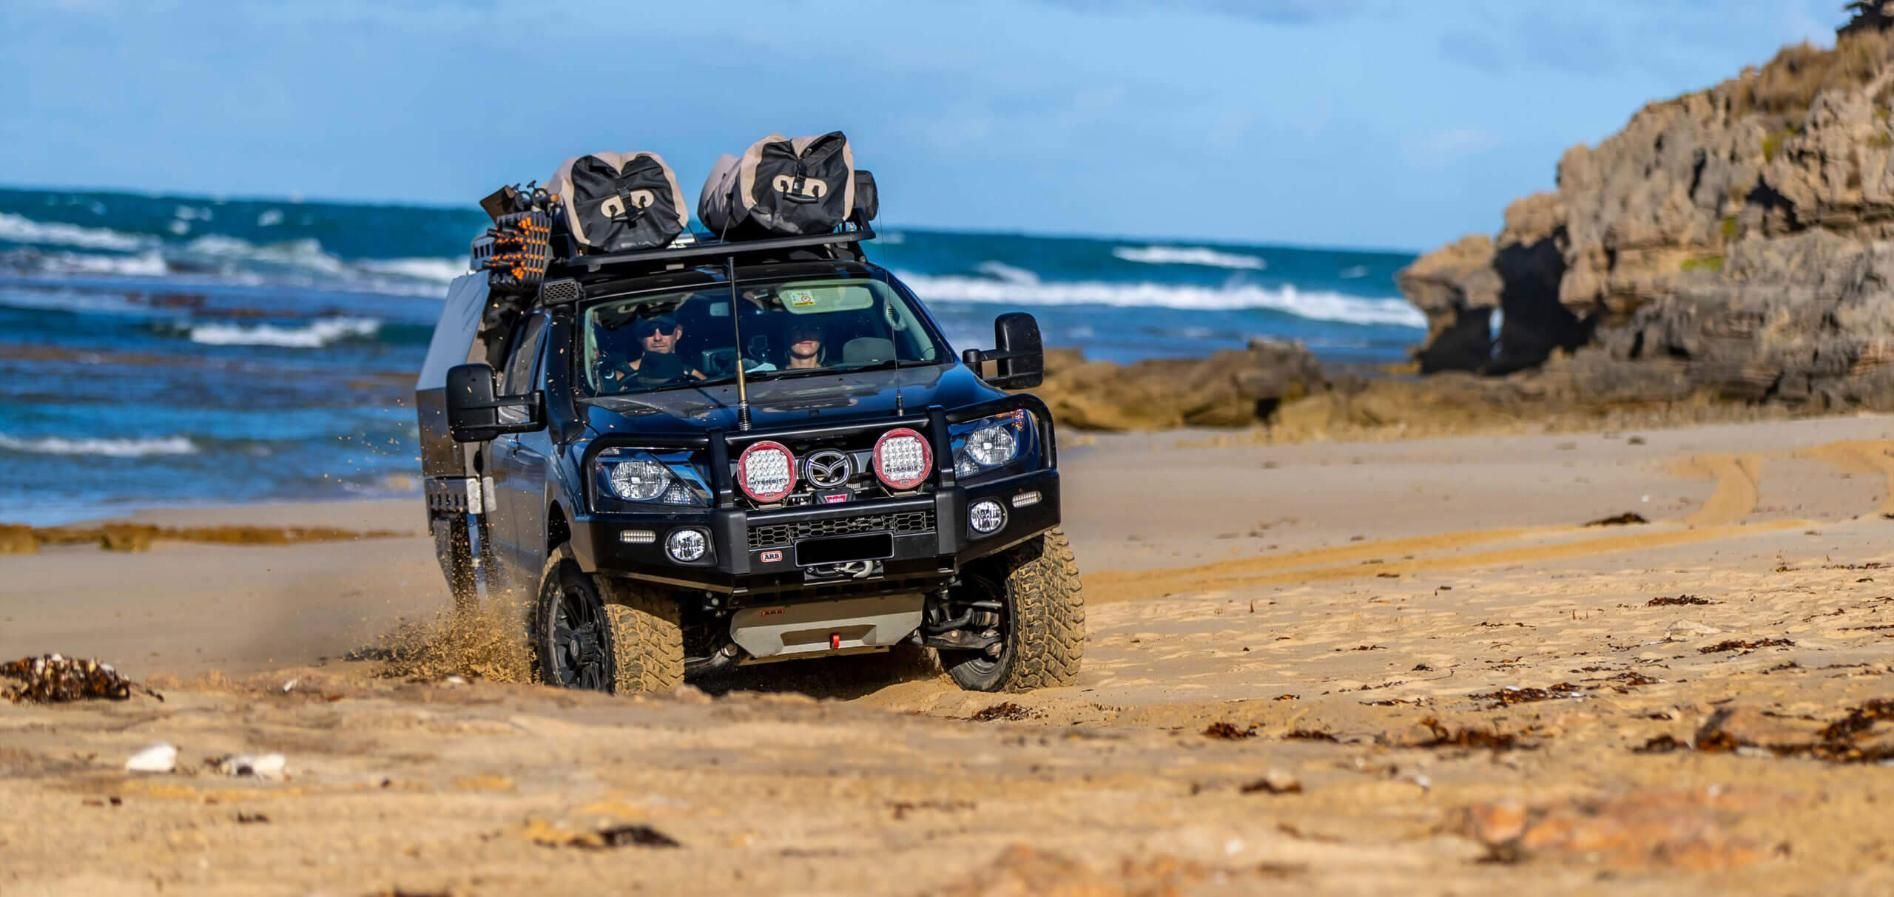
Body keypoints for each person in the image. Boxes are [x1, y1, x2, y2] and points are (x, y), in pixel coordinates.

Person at [600, 314, 703, 389]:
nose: (657, 337)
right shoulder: (620, 377)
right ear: (639, 337)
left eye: (665, 329)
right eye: (648, 331)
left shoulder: (692, 375)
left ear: (678, 334)